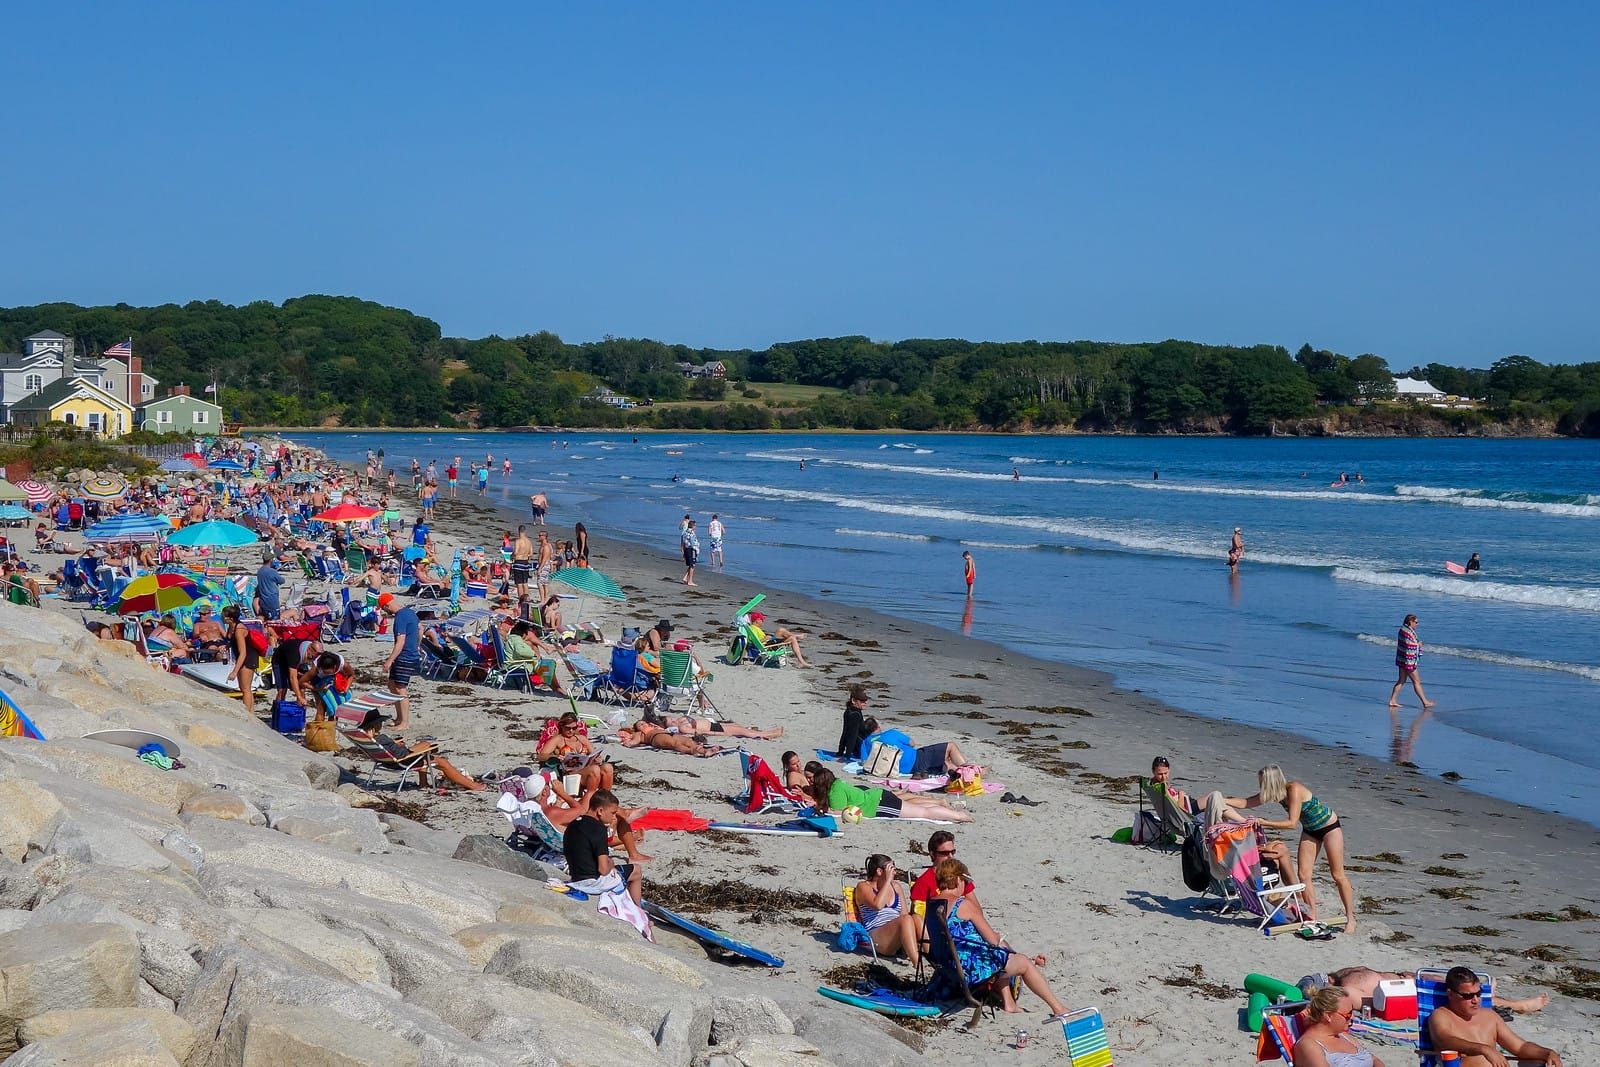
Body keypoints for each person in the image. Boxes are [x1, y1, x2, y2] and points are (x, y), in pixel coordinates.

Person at [929, 859, 1067, 1019]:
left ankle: (1009, 1003)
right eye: (965, 881)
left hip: (945, 967)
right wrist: (1001, 939)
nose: (965, 886)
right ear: (958, 879)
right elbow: (992, 939)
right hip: (967, 970)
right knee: (1020, 961)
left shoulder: (932, 903)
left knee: (998, 954)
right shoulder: (963, 905)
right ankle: (1058, 1008)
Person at [1226, 765, 1356, 933]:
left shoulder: (1293, 789)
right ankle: (1312, 916)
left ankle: (1351, 918)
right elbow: (1246, 802)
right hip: (1311, 831)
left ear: (1271, 782)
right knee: (1304, 874)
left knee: (1337, 875)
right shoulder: (1276, 794)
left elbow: (1292, 823)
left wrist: (1264, 821)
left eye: (1262, 783)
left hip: (1329, 827)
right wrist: (1223, 800)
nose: (1261, 787)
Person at [1427, 966, 1564, 1066]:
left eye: (1478, 993)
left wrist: (1547, 1052)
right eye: (1468, 996)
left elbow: (1520, 1047)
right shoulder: (1441, 1016)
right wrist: (1484, 1049)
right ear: (1450, 994)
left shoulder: (1489, 1016)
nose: (1476, 1000)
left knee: (1540, 1061)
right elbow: (1446, 1040)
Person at [1300, 968, 1548, 1016]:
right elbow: (1374, 1003)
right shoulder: (1346, 990)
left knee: (1453, 983)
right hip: (1404, 993)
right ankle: (1518, 1004)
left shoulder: (1342, 975)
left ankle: (1488, 994)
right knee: (1461, 995)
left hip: (1405, 978)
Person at [349, 710, 483, 791]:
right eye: (380, 722)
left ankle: (423, 784)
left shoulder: (371, 739)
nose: (381, 724)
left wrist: (395, 744)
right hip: (401, 762)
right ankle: (473, 786)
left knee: (423, 749)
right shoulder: (382, 738)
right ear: (375, 724)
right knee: (440, 760)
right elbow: (403, 754)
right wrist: (408, 747)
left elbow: (388, 749)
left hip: (385, 761)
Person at [806, 768, 972, 823]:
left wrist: (820, 808)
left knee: (923, 814)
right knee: (918, 809)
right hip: (878, 796)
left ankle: (959, 816)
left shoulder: (835, 791)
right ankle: (951, 811)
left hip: (877, 804)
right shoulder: (838, 783)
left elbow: (837, 811)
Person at [564, 789, 642, 905]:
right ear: (600, 810)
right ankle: (638, 911)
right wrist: (610, 863)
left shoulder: (573, 824)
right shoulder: (599, 829)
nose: (614, 817)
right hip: (593, 883)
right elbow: (603, 869)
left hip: (575, 878)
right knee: (636, 870)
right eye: (612, 813)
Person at [1291, 986, 1387, 1067]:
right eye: (1348, 1014)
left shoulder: (1344, 1036)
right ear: (1328, 1016)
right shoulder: (1309, 1046)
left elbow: (1374, 1059)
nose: (1353, 1017)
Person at [854, 854, 920, 966]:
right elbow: (877, 905)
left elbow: (904, 913)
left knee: (915, 918)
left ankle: (933, 959)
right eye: (891, 869)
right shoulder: (863, 887)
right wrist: (887, 880)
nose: (894, 872)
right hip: (876, 936)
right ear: (879, 871)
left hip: (897, 935)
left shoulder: (896, 886)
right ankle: (917, 964)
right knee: (905, 920)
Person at [377, 593, 420, 730]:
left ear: (387, 605)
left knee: (401, 689)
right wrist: (417, 645)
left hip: (405, 656)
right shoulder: (410, 612)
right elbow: (421, 628)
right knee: (392, 685)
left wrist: (390, 660)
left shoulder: (400, 617)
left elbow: (400, 642)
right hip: (409, 654)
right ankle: (399, 718)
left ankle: (405, 722)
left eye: (384, 609)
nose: (385, 612)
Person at [909, 830, 976, 904]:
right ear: (932, 854)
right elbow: (917, 914)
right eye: (945, 853)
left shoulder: (959, 875)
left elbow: (975, 907)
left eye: (952, 852)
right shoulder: (923, 882)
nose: (951, 857)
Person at [221, 605, 262, 717]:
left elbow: (243, 652)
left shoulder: (239, 629)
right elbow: (231, 639)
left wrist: (235, 671)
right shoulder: (231, 626)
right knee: (244, 688)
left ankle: (247, 714)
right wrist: (227, 646)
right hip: (243, 656)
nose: (222, 617)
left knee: (245, 689)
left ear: (230, 618)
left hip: (248, 657)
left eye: (223, 616)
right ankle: (251, 713)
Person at [1388, 614, 1435, 709]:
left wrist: (1417, 644)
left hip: (1402, 659)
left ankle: (1392, 700)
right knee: (1417, 681)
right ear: (1410, 622)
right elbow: (1409, 645)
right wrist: (1418, 645)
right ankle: (1425, 702)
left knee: (1402, 680)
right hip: (1407, 661)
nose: (1418, 624)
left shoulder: (1403, 629)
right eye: (1416, 622)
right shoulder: (1407, 632)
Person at [618, 720, 725, 757]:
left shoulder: (655, 727)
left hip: (667, 733)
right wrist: (628, 742)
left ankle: (704, 750)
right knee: (674, 744)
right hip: (656, 738)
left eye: (644, 723)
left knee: (688, 740)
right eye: (641, 724)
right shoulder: (640, 733)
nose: (644, 724)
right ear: (637, 729)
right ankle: (693, 751)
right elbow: (634, 742)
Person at [658, 713, 782, 740]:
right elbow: (701, 732)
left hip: (714, 723)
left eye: (671, 718)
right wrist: (721, 734)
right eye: (671, 722)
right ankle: (768, 734)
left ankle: (762, 733)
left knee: (738, 726)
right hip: (714, 729)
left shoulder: (680, 720)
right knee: (742, 731)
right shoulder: (683, 728)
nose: (674, 721)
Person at [254, 553, 285, 620]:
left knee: (265, 618)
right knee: (274, 620)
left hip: (263, 599)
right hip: (272, 599)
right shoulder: (272, 571)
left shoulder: (260, 571)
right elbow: (282, 581)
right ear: (271, 560)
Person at [511, 525, 534, 599]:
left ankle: (521, 598)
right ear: (525, 531)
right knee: (525, 582)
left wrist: (512, 555)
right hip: (526, 563)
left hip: (518, 562)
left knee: (519, 583)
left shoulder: (518, 541)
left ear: (519, 531)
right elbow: (531, 553)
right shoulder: (529, 541)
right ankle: (527, 598)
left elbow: (516, 552)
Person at [680, 519, 699, 587]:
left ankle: (685, 578)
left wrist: (682, 550)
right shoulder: (692, 533)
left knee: (691, 565)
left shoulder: (685, 532)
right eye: (695, 526)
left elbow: (683, 542)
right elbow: (693, 543)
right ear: (693, 526)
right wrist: (697, 549)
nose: (696, 527)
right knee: (692, 565)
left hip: (686, 549)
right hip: (691, 549)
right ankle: (690, 581)